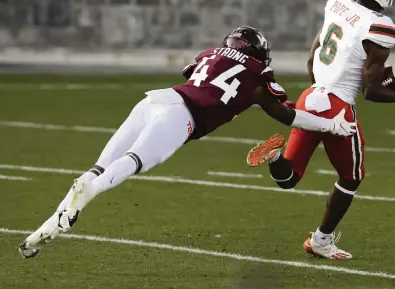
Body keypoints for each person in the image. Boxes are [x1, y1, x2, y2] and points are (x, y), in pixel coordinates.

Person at [19, 26, 357, 258]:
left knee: (99, 166)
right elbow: (289, 115)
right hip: (184, 116)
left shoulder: (210, 53)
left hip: (155, 100)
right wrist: (332, 125)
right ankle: (88, 192)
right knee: (134, 161)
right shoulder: (258, 75)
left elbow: (193, 73)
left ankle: (54, 220)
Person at [246, 0, 395, 260]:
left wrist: (318, 92)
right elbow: (371, 90)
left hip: (310, 96)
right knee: (351, 177)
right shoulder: (381, 27)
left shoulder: (337, 4)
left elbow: (312, 58)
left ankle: (273, 157)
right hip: (337, 109)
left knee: (290, 177)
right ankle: (321, 240)